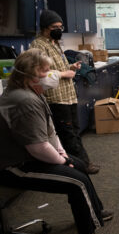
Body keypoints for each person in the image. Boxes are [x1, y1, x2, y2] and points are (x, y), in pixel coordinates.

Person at [0, 49, 117, 234]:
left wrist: (64, 155)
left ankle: (93, 212)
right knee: (76, 182)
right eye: (46, 70)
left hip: (32, 155)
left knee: (79, 165)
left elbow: (50, 131)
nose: (51, 74)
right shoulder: (24, 100)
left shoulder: (32, 92)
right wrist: (62, 161)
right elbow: (38, 147)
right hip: (14, 165)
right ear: (31, 74)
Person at [30, 9, 99, 174]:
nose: (59, 30)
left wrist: (71, 67)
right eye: (55, 26)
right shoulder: (38, 46)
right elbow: (40, 74)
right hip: (56, 97)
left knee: (74, 130)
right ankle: (82, 165)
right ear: (46, 27)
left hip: (68, 95)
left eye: (61, 26)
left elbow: (56, 67)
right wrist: (63, 74)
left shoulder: (55, 44)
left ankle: (78, 163)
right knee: (67, 134)